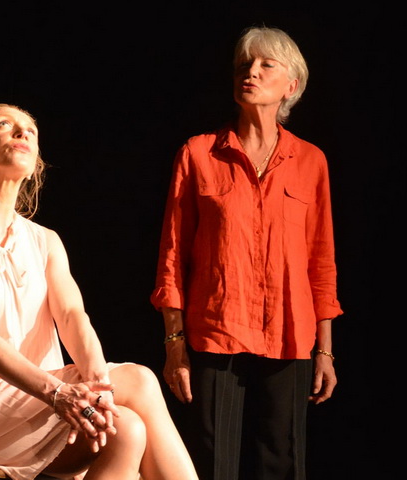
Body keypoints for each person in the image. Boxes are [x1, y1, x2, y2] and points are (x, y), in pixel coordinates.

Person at [0, 103, 198, 480]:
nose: (22, 133)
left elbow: (73, 317)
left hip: (33, 403)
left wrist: (98, 387)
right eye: (4, 125)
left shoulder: (45, 241)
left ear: (36, 165)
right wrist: (58, 393)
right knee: (140, 380)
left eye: (30, 130)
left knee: (125, 429)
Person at [150, 26, 343, 480]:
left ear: (291, 86)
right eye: (243, 65)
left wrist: (326, 350)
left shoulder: (311, 161)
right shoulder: (198, 153)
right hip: (215, 330)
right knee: (210, 463)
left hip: (289, 333)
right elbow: (173, 255)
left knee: (281, 461)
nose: (250, 72)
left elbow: (321, 259)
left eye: (265, 65)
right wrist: (174, 345)